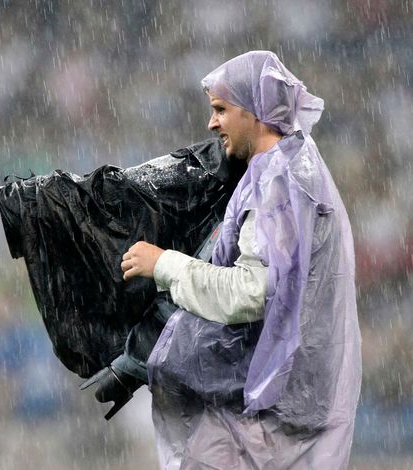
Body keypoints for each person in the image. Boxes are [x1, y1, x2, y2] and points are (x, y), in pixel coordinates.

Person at [120, 51, 361, 469]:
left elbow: (250, 293)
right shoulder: (294, 165)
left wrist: (163, 263)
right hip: (286, 400)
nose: (212, 123)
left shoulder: (277, 182)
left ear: (257, 111)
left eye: (220, 110)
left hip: (270, 409)